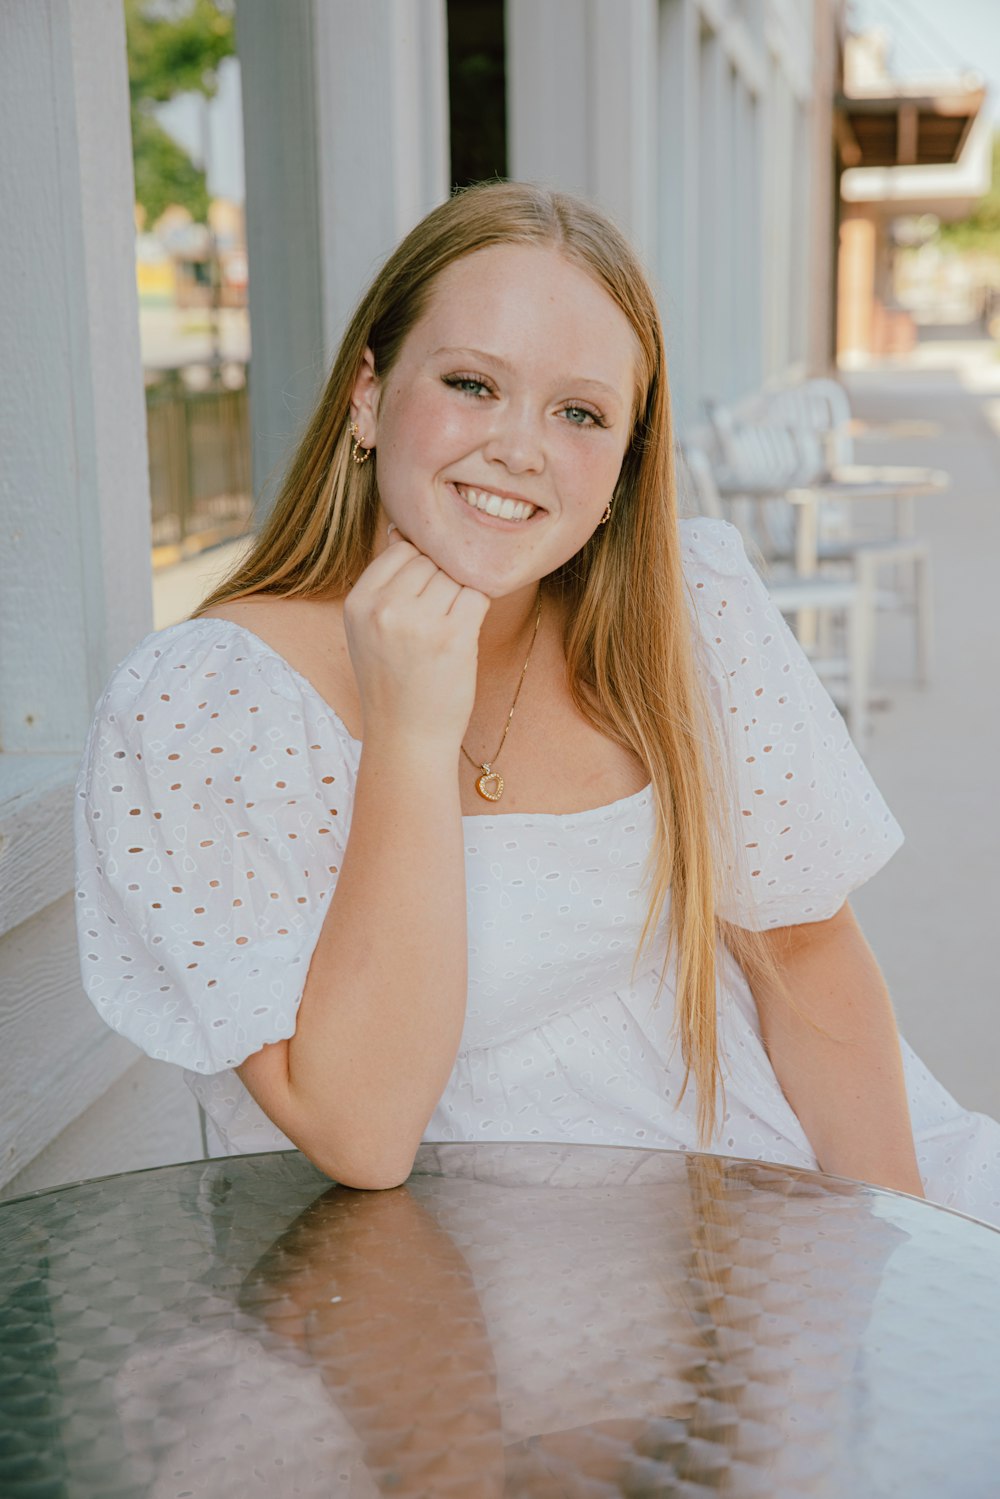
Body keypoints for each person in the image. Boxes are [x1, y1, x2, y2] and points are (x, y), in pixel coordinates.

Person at [75, 181, 1000, 1227]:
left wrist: (898, 1247)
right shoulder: (201, 708)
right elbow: (362, 1132)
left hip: (774, 1202)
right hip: (428, 1299)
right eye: (473, 383)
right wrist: (412, 733)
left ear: (622, 464)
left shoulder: (684, 613)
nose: (520, 446)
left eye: (579, 412)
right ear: (368, 396)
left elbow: (805, 956)